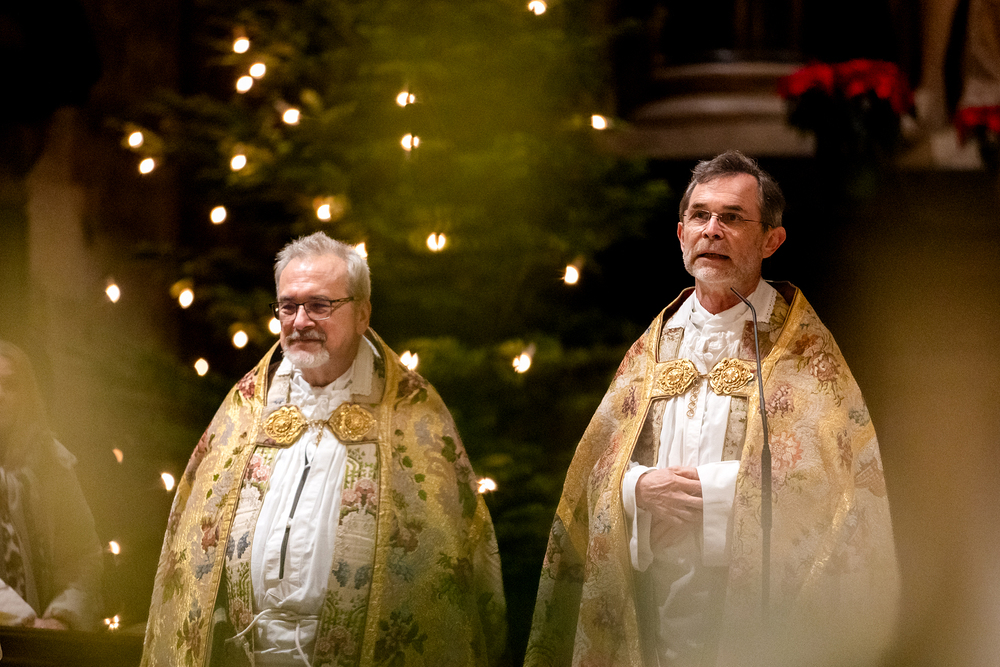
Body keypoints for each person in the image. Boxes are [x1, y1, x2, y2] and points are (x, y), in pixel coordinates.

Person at [524, 151, 899, 667]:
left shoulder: (803, 351)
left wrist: (716, 495)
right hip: (652, 611)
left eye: (732, 217)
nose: (712, 230)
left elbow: (836, 488)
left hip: (755, 624)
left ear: (772, 240)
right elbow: (597, 469)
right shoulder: (654, 346)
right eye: (700, 216)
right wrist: (637, 489)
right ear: (681, 234)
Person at [141, 232, 506, 667]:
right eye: (288, 306)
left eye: (319, 305)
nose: (300, 322)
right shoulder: (244, 409)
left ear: (362, 314)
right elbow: (188, 556)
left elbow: (450, 570)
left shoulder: (412, 417)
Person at [0, 340, 103, 630]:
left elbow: (83, 554)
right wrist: (22, 620)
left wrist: (61, 617)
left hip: (46, 640)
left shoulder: (52, 463)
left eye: (10, 385)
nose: (1, 394)